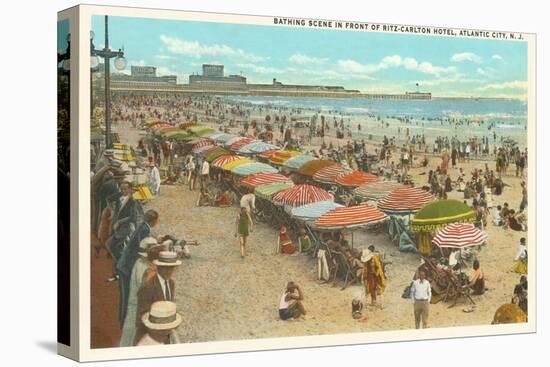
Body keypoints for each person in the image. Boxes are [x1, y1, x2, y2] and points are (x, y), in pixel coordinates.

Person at [117, 209, 160, 328]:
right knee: (127, 296)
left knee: (125, 295)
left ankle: (122, 320)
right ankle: (124, 322)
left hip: (125, 264)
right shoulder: (145, 229)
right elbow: (145, 248)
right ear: (154, 221)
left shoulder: (142, 226)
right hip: (127, 266)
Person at [119, 237, 159, 347]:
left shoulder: (139, 262)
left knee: (129, 334)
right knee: (133, 335)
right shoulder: (145, 268)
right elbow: (143, 290)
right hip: (138, 306)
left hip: (134, 304)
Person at [135, 251, 182, 345]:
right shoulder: (148, 287)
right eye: (165, 268)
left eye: (171, 268)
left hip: (164, 335)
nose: (169, 271)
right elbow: (141, 317)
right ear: (158, 267)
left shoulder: (171, 283)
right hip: (149, 338)